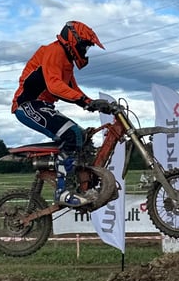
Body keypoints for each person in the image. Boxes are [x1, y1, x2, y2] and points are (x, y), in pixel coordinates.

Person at [11, 21, 111, 207]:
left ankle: (81, 184)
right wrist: (86, 101)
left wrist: (95, 104)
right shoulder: (54, 51)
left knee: (81, 136)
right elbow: (55, 86)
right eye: (84, 46)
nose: (85, 51)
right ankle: (63, 192)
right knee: (71, 134)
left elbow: (72, 89)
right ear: (74, 40)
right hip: (28, 104)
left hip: (43, 106)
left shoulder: (66, 61)